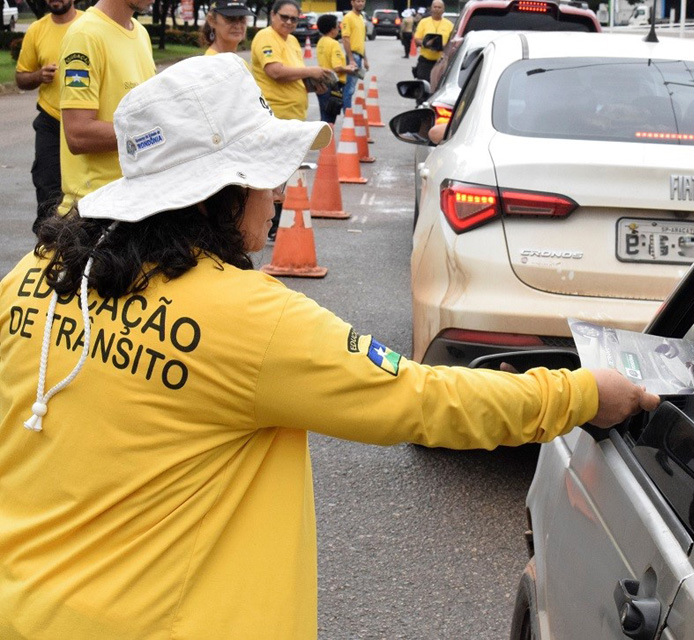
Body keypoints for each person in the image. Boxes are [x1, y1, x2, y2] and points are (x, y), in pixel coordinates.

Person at [0, 53, 659, 639]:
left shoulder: (35, 274)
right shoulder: (250, 319)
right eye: (267, 172)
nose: (279, 190)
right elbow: (424, 400)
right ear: (220, 194)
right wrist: (580, 393)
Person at [56, 0, 155, 215]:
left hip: (135, 204)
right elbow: (78, 134)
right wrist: (154, 134)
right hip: (94, 211)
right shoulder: (84, 36)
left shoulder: (141, 33)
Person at [250, 0, 335, 240]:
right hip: (273, 115)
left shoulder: (293, 41)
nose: (288, 22)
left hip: (292, 116)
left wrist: (312, 85)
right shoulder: (266, 37)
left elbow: (291, 75)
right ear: (273, 15)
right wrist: (311, 71)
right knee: (271, 174)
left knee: (282, 174)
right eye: (284, 17)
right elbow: (275, 71)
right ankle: (271, 223)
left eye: (293, 19)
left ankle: (276, 221)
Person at [14, 0, 83, 235]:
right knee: (48, 188)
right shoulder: (37, 30)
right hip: (51, 120)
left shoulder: (88, 25)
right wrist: (38, 75)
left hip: (84, 120)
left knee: (86, 190)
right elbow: (21, 78)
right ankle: (48, 245)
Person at [316, 12, 356, 124]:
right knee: (330, 118)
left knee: (324, 115)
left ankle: (324, 140)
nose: (339, 29)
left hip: (321, 82)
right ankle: (327, 141)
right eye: (337, 26)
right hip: (332, 84)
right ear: (332, 29)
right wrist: (349, 69)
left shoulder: (321, 42)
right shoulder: (333, 44)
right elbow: (337, 67)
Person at [413, 0, 453, 82]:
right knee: (423, 88)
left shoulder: (449, 25)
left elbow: (452, 43)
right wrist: (426, 44)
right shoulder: (424, 22)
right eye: (435, 7)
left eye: (439, 7)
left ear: (443, 10)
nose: (437, 9)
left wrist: (443, 46)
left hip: (441, 63)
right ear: (431, 8)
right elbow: (417, 39)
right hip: (425, 62)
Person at [341, 0, 370, 111]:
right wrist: (351, 59)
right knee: (349, 88)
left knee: (352, 87)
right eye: (358, 1)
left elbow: (361, 41)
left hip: (359, 56)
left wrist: (365, 59)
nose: (361, 3)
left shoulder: (361, 18)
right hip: (352, 56)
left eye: (363, 1)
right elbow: (345, 38)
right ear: (352, 2)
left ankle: (348, 113)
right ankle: (348, 115)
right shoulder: (348, 17)